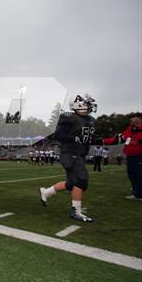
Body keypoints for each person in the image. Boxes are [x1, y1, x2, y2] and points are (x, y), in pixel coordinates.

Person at [39, 94, 102, 222]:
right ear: (79, 105)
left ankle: (46, 192)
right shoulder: (69, 117)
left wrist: (110, 140)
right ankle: (76, 211)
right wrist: (73, 138)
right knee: (81, 180)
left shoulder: (90, 120)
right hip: (70, 153)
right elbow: (58, 135)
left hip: (79, 154)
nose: (90, 106)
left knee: (71, 183)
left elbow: (90, 139)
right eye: (87, 103)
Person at [104, 112, 142, 200]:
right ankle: (137, 193)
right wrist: (102, 141)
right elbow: (116, 140)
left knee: (139, 175)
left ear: (139, 119)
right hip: (130, 156)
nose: (131, 120)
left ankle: (139, 194)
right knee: (132, 174)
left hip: (140, 156)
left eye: (133, 117)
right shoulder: (129, 130)